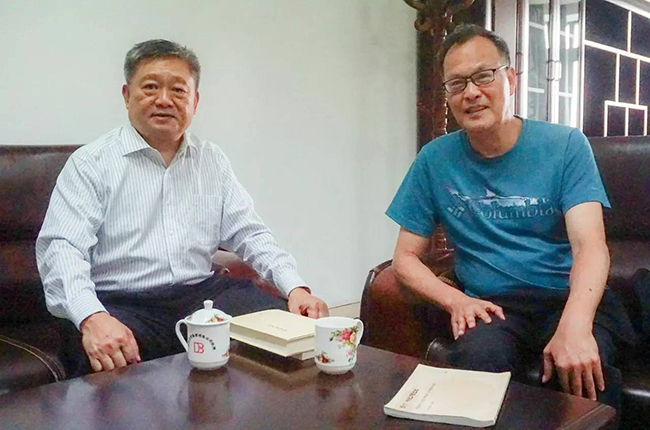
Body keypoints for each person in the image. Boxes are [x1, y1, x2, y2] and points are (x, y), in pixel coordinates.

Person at [36, 39, 328, 378]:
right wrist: (92, 317)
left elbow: (250, 233)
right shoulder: (91, 163)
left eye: (178, 90)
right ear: (127, 95)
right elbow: (62, 249)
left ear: (195, 101)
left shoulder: (211, 160)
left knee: (291, 333)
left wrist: (295, 287)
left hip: (201, 297)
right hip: (121, 304)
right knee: (105, 354)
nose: (164, 100)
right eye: (150, 87)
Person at [387, 24, 635, 407]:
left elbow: (590, 246)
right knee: (475, 365)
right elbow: (404, 258)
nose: (471, 92)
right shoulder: (434, 160)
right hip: (493, 305)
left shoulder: (566, 145)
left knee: (587, 373)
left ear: (511, 79)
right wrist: (456, 300)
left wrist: (576, 324)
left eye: (484, 76)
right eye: (457, 84)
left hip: (565, 296)